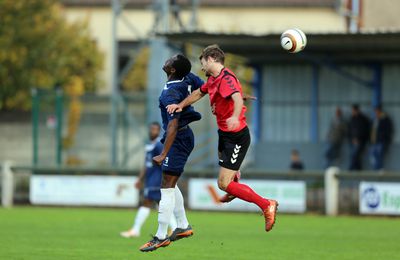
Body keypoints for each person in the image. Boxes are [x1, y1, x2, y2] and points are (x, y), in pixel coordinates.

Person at [167, 44, 278, 233]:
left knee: (223, 184)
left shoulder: (226, 78)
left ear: (211, 59)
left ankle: (267, 204)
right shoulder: (213, 79)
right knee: (228, 181)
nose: (201, 67)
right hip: (224, 134)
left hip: (236, 136)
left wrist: (235, 115)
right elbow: (198, 93)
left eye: (202, 62)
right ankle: (235, 187)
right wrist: (180, 105)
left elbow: (235, 98)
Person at [139, 54, 204, 252]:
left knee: (166, 187)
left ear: (172, 69)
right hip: (184, 136)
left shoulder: (170, 93)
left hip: (177, 139)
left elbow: (173, 125)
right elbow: (205, 88)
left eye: (171, 60)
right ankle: (182, 225)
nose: (166, 60)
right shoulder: (188, 77)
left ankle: (160, 236)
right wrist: (231, 95)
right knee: (170, 183)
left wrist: (163, 152)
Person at [120, 122, 176, 238]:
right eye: (151, 129)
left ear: (159, 131)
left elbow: (164, 161)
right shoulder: (150, 145)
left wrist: (166, 178)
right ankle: (175, 228)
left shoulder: (159, 145)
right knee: (160, 204)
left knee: (148, 202)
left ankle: (136, 230)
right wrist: (140, 179)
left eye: (155, 129)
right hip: (151, 179)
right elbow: (146, 164)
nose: (152, 131)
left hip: (156, 179)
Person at [370, 104, 393, 170]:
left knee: (380, 156)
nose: (376, 112)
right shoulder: (375, 119)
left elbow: (388, 130)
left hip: (381, 141)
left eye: (377, 111)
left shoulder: (385, 119)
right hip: (374, 141)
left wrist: (385, 139)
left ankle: (379, 169)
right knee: (373, 156)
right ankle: (376, 169)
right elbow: (372, 130)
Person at [348, 104, 371, 170]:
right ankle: (358, 170)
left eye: (353, 110)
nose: (352, 112)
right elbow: (349, 130)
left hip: (360, 141)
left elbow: (364, 131)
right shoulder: (352, 119)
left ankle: (351, 169)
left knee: (355, 155)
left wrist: (358, 139)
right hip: (352, 141)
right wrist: (351, 139)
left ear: (357, 110)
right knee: (355, 156)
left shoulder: (363, 119)